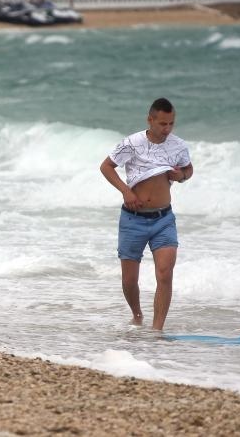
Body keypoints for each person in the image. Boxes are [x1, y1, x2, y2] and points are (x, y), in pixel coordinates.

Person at [99, 98, 193, 331]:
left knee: (165, 273)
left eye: (171, 123)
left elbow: (188, 169)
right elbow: (106, 167)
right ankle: (137, 314)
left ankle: (157, 329)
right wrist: (126, 191)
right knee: (129, 280)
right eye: (162, 124)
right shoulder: (132, 143)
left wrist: (180, 176)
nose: (167, 129)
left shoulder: (178, 145)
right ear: (150, 120)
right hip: (133, 220)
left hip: (164, 219)